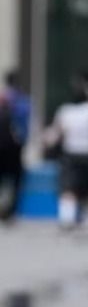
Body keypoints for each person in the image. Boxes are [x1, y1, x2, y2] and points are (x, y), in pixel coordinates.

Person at [45, 72, 88, 229]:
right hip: (85, 154)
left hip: (73, 154)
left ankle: (68, 218)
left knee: (69, 187)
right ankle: (79, 217)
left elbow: (55, 133)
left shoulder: (66, 111)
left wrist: (48, 141)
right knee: (84, 188)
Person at [0, 71, 32, 222]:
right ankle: (10, 212)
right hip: (15, 147)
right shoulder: (22, 100)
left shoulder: (3, 98)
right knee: (16, 180)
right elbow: (26, 123)